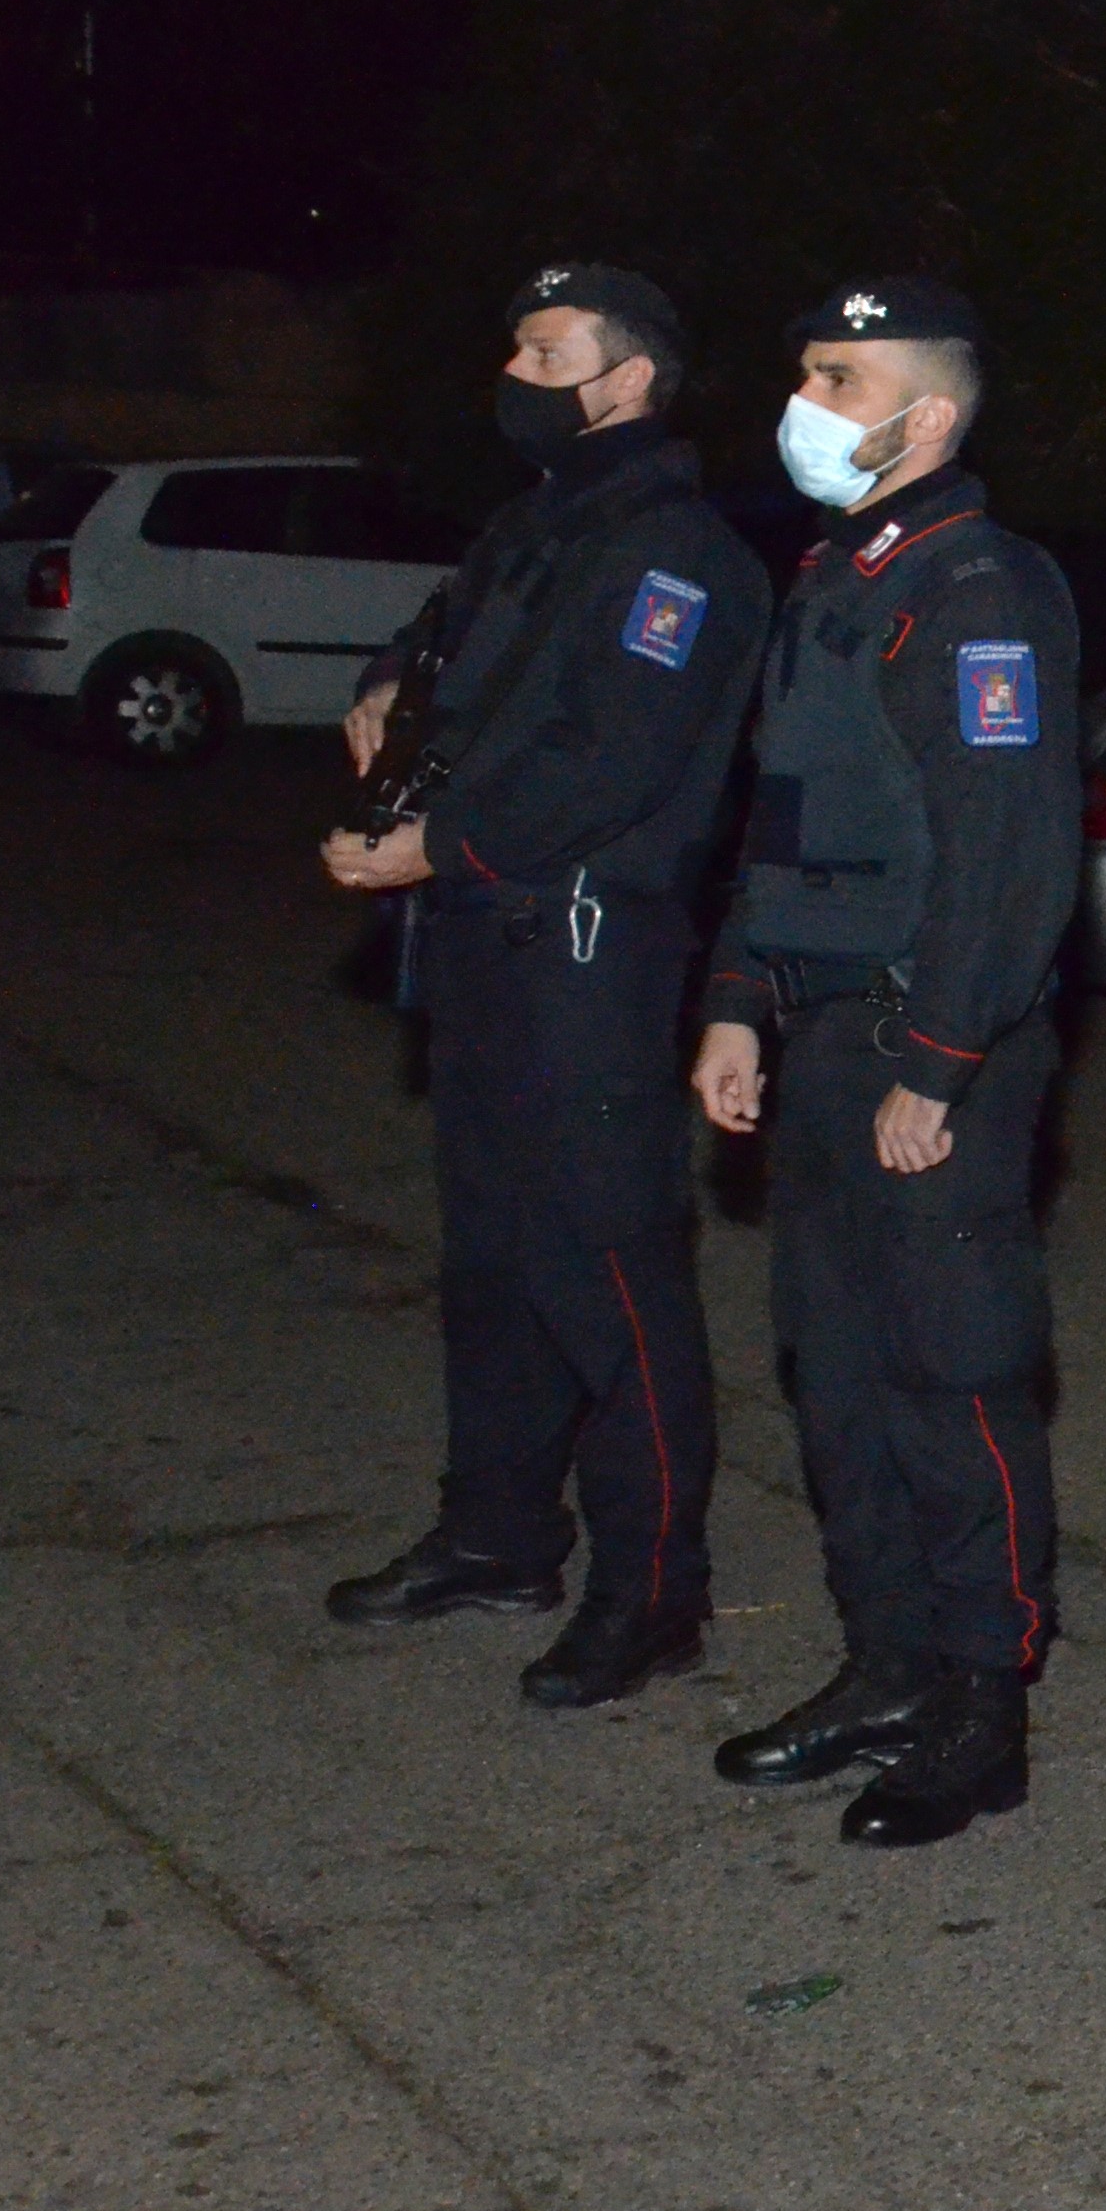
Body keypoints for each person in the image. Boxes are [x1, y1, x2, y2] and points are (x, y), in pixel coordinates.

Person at [319, 263, 770, 1706]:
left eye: (544, 347)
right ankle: (497, 1536)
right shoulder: (537, 525)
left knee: (609, 1275)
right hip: (480, 943)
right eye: (512, 339)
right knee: (495, 1265)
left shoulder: (677, 557)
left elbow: (613, 762)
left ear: (626, 381)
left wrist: (435, 845)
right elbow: (445, 639)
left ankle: (652, 1594)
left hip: (584, 947)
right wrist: (387, 685)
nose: (512, 368)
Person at [688, 277, 1080, 1846]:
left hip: (932, 1042)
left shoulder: (978, 587)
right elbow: (777, 824)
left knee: (952, 1368)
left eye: (839, 377)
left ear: (923, 415)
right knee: (835, 1370)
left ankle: (983, 1699)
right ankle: (885, 1661)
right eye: (804, 370)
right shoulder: (840, 578)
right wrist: (734, 996)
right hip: (821, 1034)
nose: (807, 402)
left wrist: (942, 1056)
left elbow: (1008, 847)